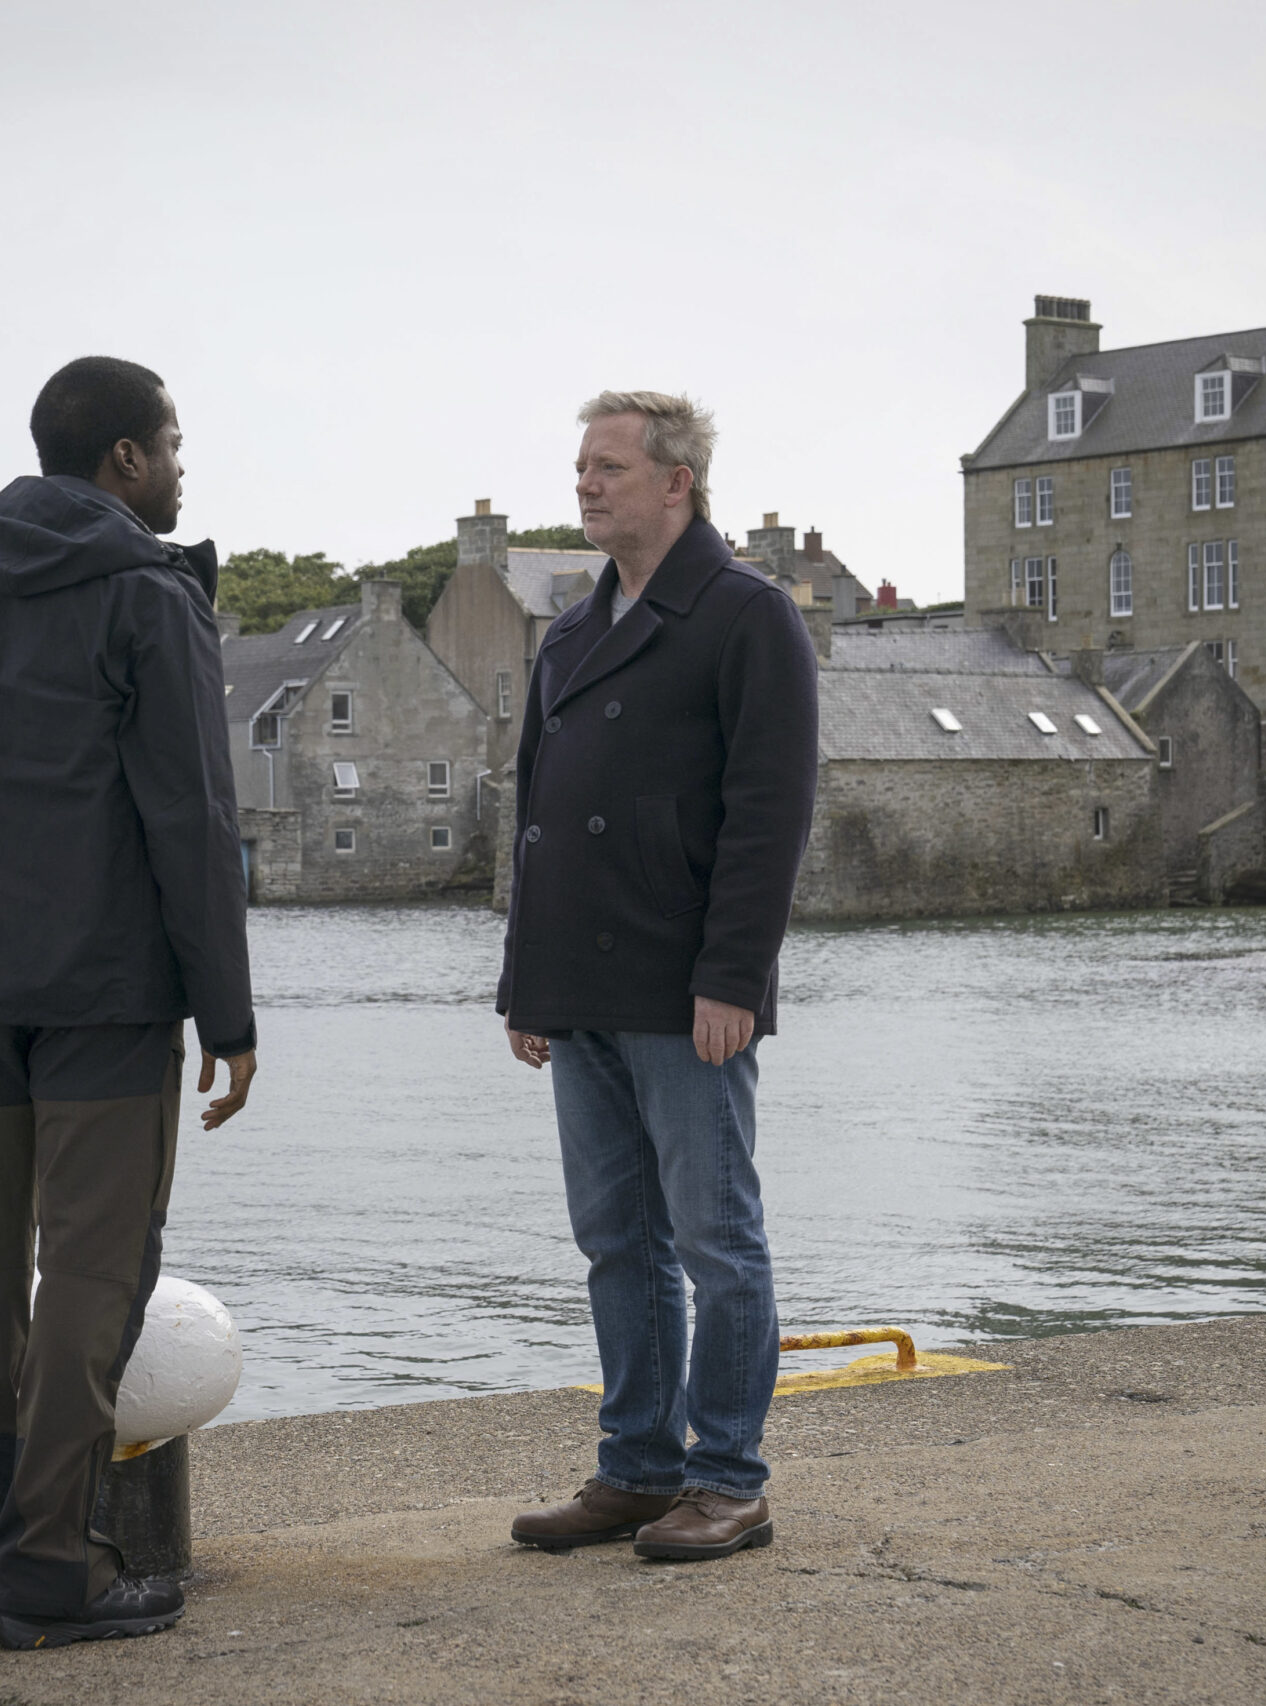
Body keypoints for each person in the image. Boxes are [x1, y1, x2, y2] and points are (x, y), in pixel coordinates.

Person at [0, 356, 257, 1650]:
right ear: (124, 460)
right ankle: (48, 1566)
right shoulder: (146, 591)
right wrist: (229, 1015)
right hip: (109, 993)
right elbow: (193, 813)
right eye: (172, 444)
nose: (182, 467)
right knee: (92, 1267)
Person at [500, 391, 819, 1562]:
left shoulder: (746, 616)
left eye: (610, 467)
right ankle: (637, 1467)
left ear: (676, 480)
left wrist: (732, 977)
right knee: (614, 1242)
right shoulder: (570, 633)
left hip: (689, 992)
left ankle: (729, 1477)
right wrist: (521, 983)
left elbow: (768, 815)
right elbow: (533, 811)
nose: (585, 484)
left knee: (714, 1238)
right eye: (579, 465)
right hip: (578, 989)